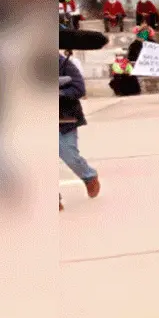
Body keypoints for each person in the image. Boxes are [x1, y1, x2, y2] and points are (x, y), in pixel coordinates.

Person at [60, 51, 101, 207]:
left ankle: (88, 176)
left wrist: (60, 93)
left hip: (64, 118)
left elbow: (79, 88)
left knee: (69, 155)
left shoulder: (65, 64)